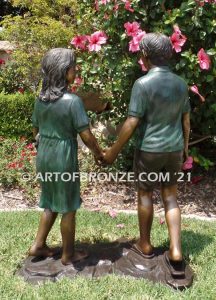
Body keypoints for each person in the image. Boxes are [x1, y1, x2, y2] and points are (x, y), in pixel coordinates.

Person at [104, 33, 191, 275]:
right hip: (173, 150)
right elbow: (186, 120)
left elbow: (132, 121)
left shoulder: (142, 84)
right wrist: (185, 148)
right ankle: (176, 249)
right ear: (168, 54)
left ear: (145, 56)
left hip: (149, 151)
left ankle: (145, 244)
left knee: (145, 194)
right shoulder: (181, 83)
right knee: (171, 197)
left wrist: (112, 151)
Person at [29, 48, 104, 265]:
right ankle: (68, 254)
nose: (76, 69)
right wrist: (99, 153)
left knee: (50, 202)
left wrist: (42, 146)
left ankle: (39, 245)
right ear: (64, 71)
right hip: (63, 156)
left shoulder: (40, 100)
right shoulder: (72, 101)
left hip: (44, 154)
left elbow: (36, 130)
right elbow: (87, 136)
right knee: (69, 206)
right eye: (73, 66)